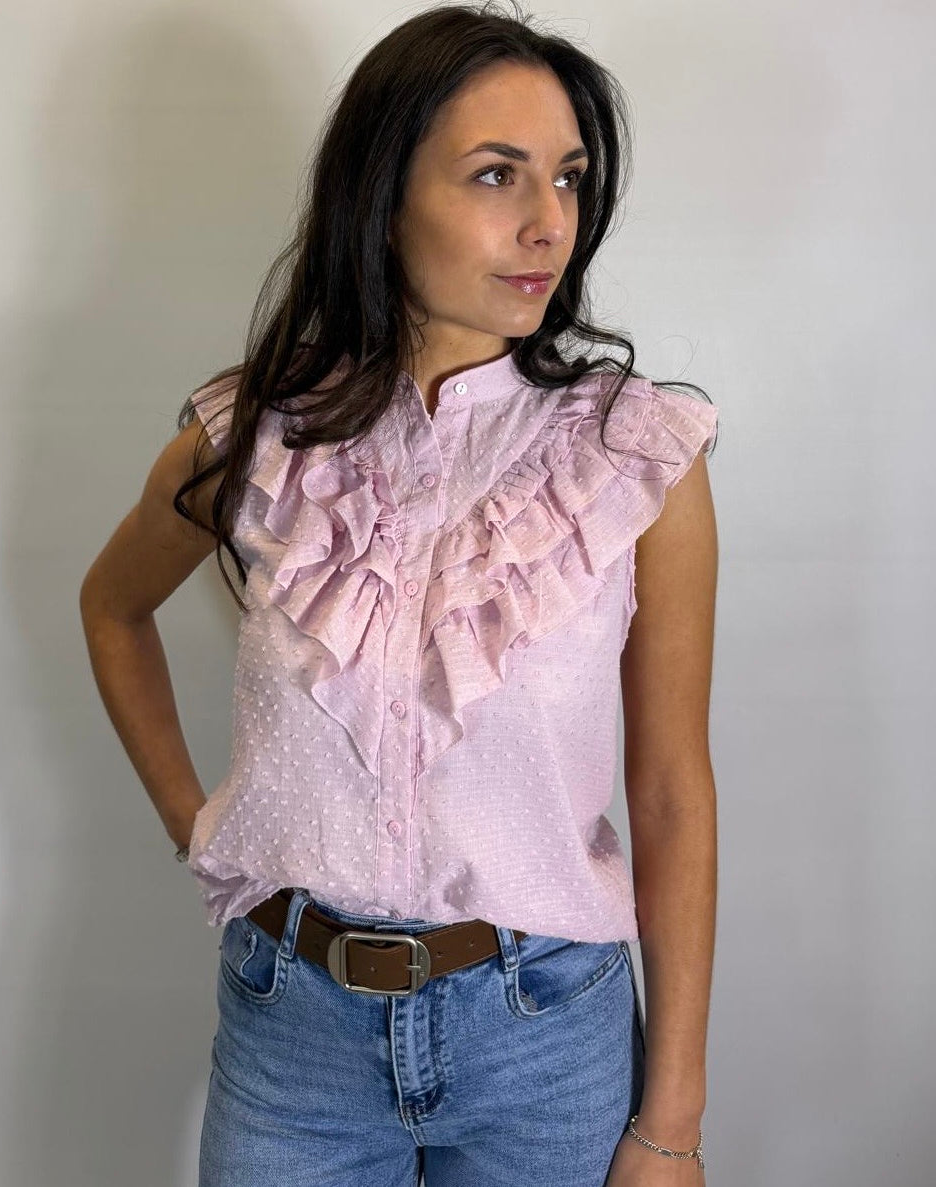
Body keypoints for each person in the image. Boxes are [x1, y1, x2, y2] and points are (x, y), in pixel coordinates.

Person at [79, 3, 718, 1184]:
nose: (548, 224)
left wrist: (668, 1116)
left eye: (568, 178)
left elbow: (671, 791)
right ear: (382, 197)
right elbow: (110, 609)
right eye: (495, 175)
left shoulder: (632, 463)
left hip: (549, 1038)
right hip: (292, 1035)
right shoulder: (254, 437)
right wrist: (199, 824)